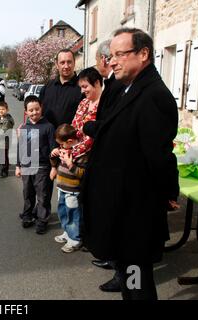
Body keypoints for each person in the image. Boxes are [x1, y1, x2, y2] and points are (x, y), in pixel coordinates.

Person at [81, 28, 179, 300]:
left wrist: (169, 193)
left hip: (135, 213)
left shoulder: (153, 96)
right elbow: (121, 133)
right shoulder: (130, 89)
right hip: (123, 209)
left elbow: (159, 157)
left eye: (119, 55)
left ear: (143, 54)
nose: (111, 62)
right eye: (111, 56)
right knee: (128, 276)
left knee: (136, 280)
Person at [82, 40, 127, 291]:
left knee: (126, 232)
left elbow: (113, 127)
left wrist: (91, 127)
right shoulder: (116, 84)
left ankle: (125, 277)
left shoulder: (122, 87)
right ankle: (115, 262)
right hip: (111, 165)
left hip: (121, 170)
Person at [15, 95, 56, 235]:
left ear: (41, 108)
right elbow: (20, 148)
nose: (34, 113)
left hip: (43, 167)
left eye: (36, 109)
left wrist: (54, 167)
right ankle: (27, 215)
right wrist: (18, 165)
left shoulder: (49, 127)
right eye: (31, 110)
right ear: (26, 112)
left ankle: (42, 220)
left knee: (43, 195)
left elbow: (53, 150)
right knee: (28, 193)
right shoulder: (24, 128)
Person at [50, 124, 88, 253]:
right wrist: (53, 156)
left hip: (72, 191)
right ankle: (67, 232)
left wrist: (70, 164)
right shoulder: (66, 149)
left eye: (62, 144)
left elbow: (82, 173)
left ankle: (75, 239)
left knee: (73, 214)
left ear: (70, 141)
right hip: (62, 188)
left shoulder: (81, 154)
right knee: (63, 212)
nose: (61, 146)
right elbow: (55, 163)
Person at [39, 49, 83, 129]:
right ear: (56, 65)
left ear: (74, 63)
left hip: (70, 140)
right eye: (62, 62)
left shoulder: (82, 88)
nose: (66, 66)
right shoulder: (47, 87)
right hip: (46, 139)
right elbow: (37, 114)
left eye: (69, 62)